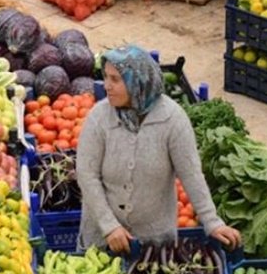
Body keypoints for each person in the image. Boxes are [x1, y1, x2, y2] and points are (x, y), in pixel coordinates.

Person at [76, 45, 241, 254]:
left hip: (153, 243)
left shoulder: (172, 119)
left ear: (138, 81)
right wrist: (109, 226)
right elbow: (86, 175)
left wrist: (212, 222)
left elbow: (191, 174)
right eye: (106, 77)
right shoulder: (99, 117)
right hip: (102, 237)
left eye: (116, 80)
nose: (106, 85)